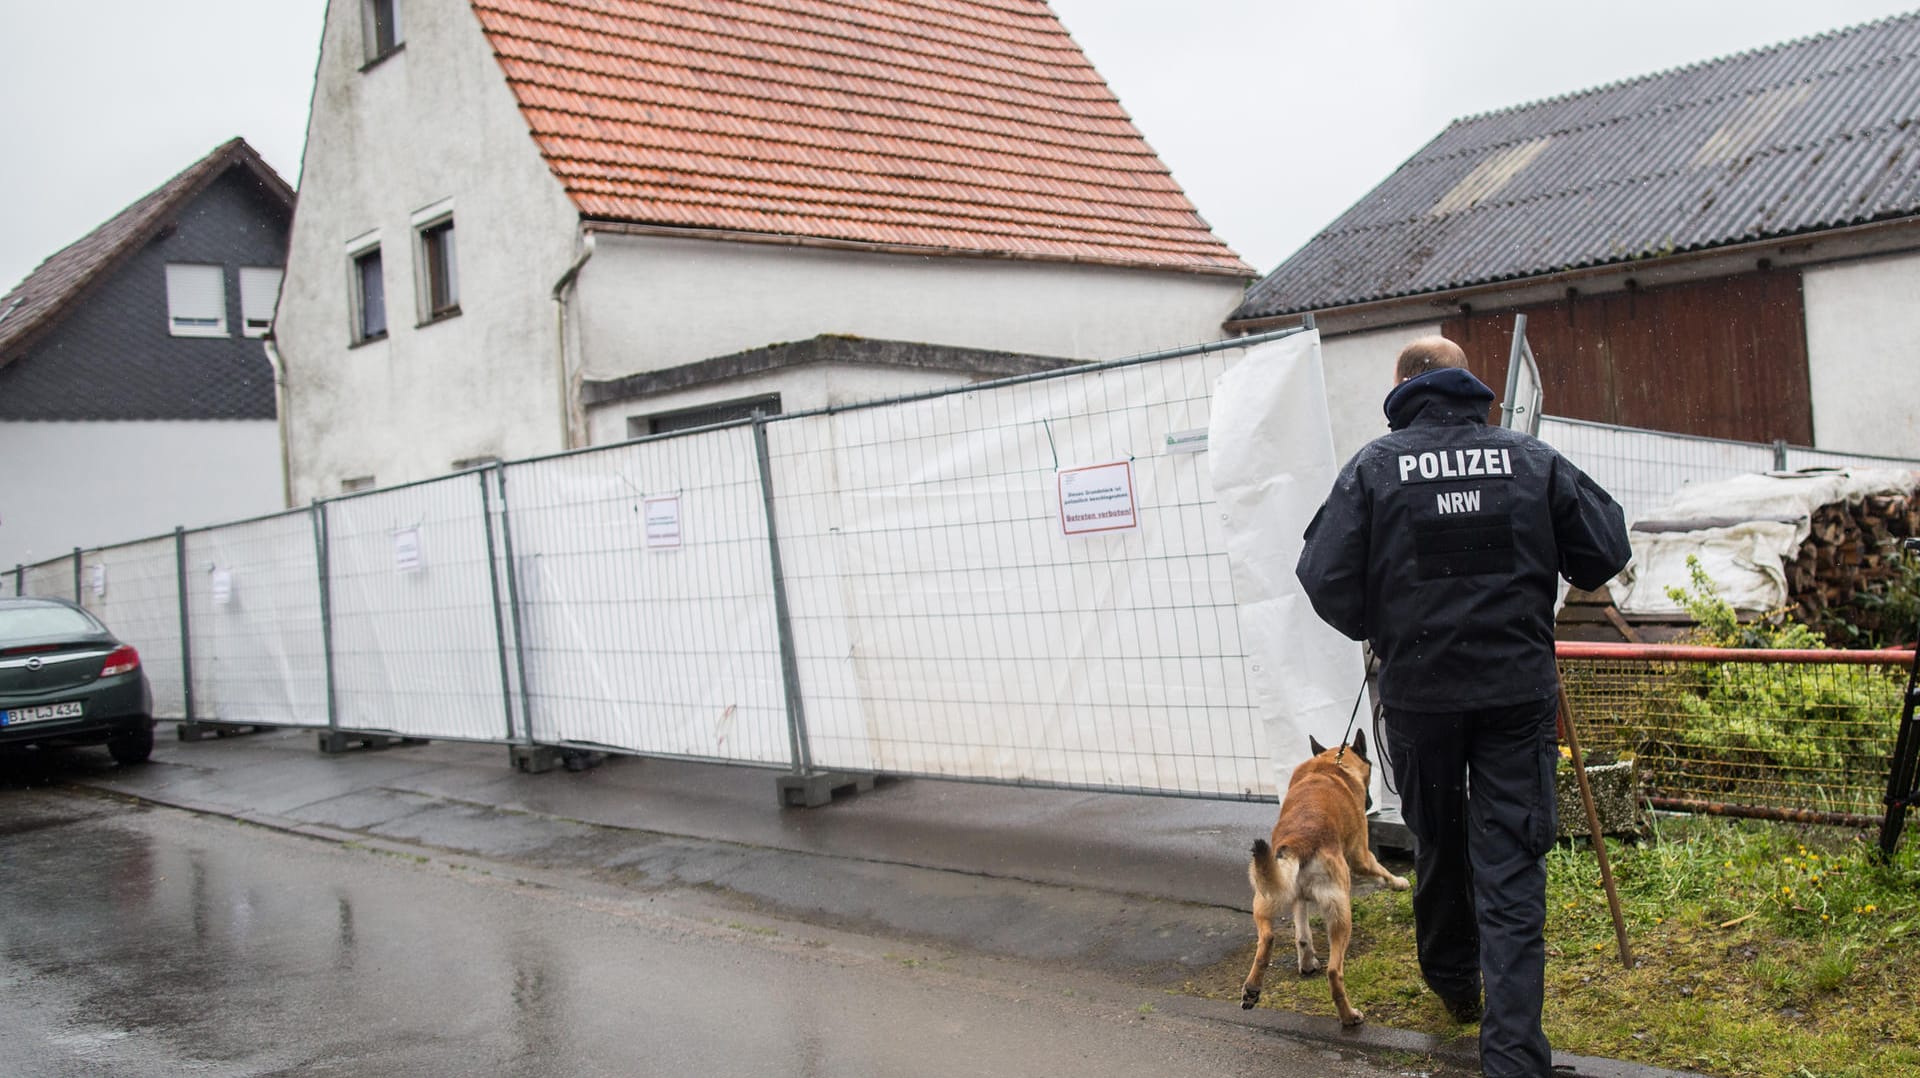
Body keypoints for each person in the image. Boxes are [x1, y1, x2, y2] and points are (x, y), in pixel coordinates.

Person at [1294, 335, 1631, 1078]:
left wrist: (1382, 623)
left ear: (1402, 387)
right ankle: (1513, 1057)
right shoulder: (1529, 459)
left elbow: (1322, 576)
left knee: (1440, 838)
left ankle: (1453, 982)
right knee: (1510, 865)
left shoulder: (1375, 469)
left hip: (1421, 696)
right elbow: (1605, 549)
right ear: (1467, 382)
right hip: (1515, 693)